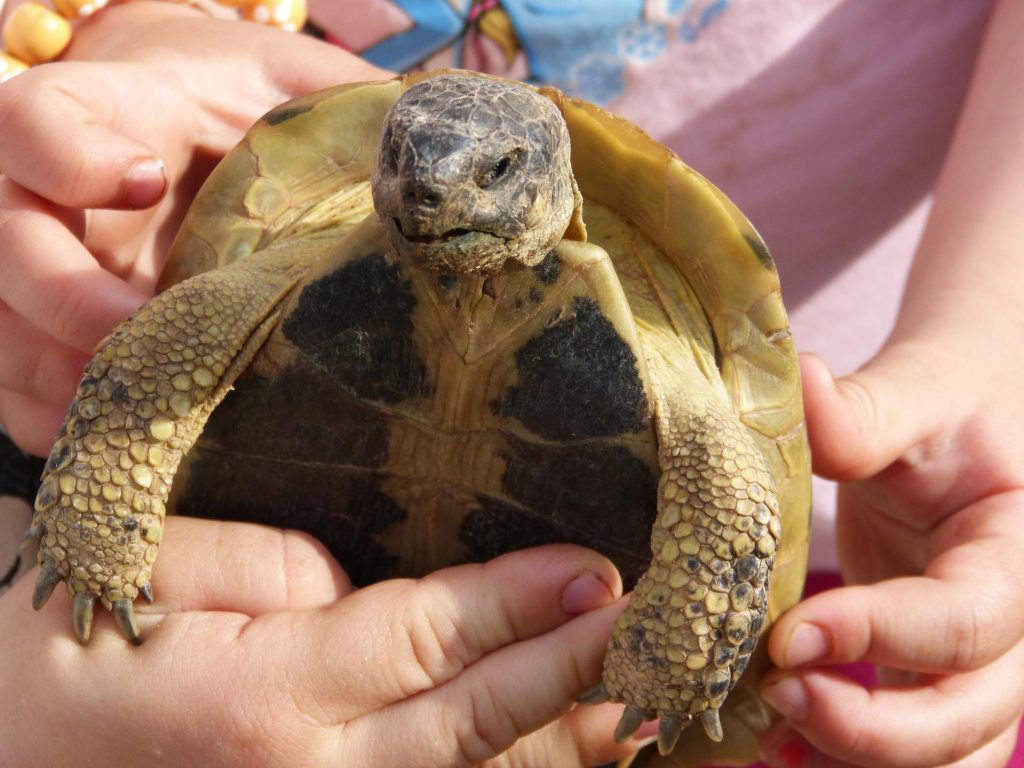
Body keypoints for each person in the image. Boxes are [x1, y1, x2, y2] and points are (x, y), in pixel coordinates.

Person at [1, 1, 1023, 766]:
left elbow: (725, 470)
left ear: (544, 173)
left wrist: (991, 342)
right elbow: (154, 353)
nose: (433, 190)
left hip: (862, 566)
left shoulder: (668, 325)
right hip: (206, 645)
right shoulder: (298, 247)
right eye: (405, 165)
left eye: (487, 177)